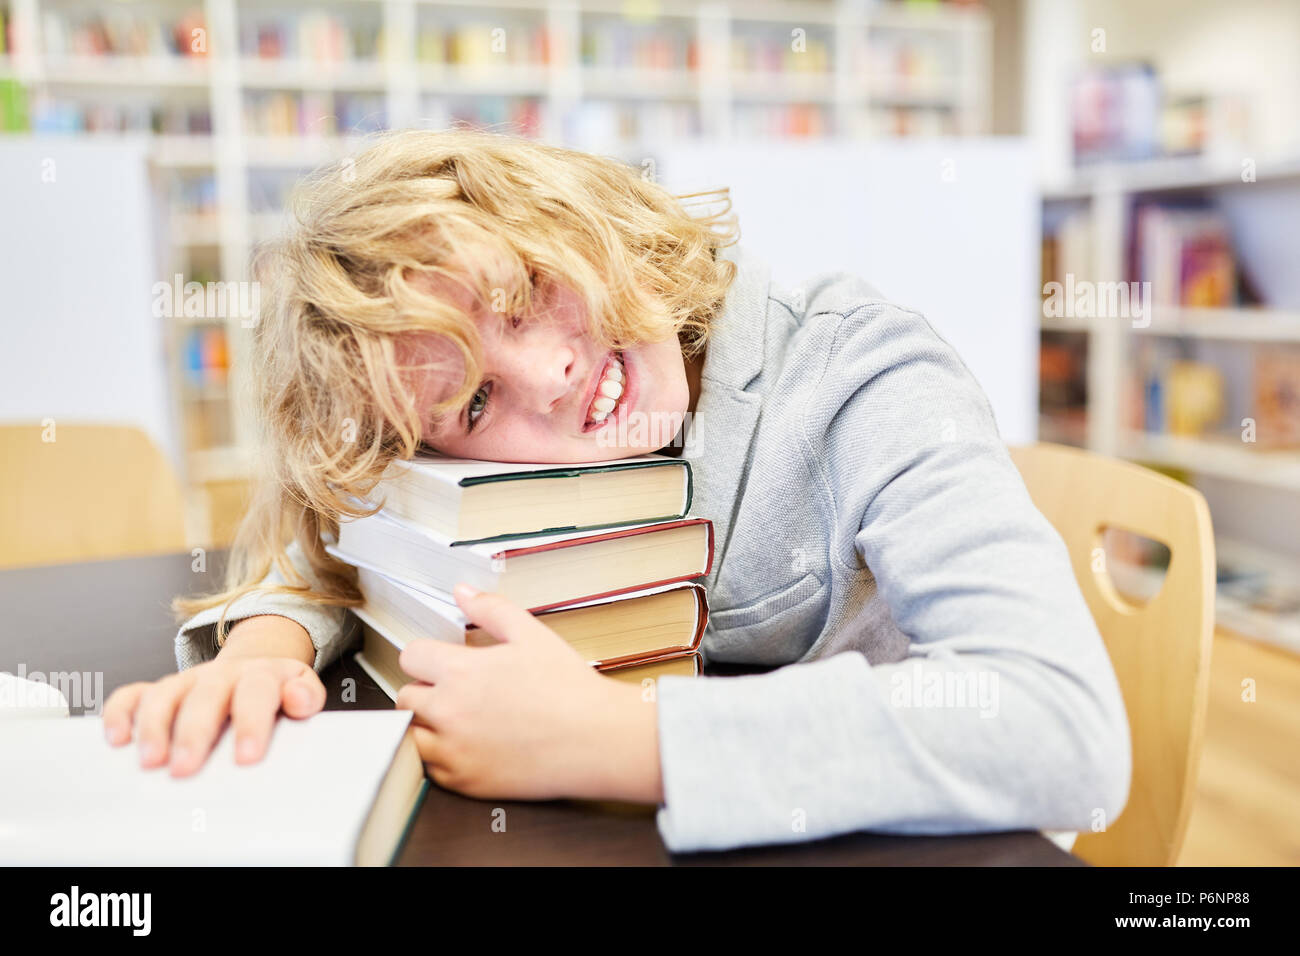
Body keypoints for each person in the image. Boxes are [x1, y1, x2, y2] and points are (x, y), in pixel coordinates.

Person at [103, 129, 1130, 853]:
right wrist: (265, 641)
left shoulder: (864, 373)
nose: (549, 373)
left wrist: (620, 739)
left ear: (583, 218)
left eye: (525, 292)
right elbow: (349, 526)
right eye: (470, 401)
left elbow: (1060, 723)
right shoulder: (499, 470)